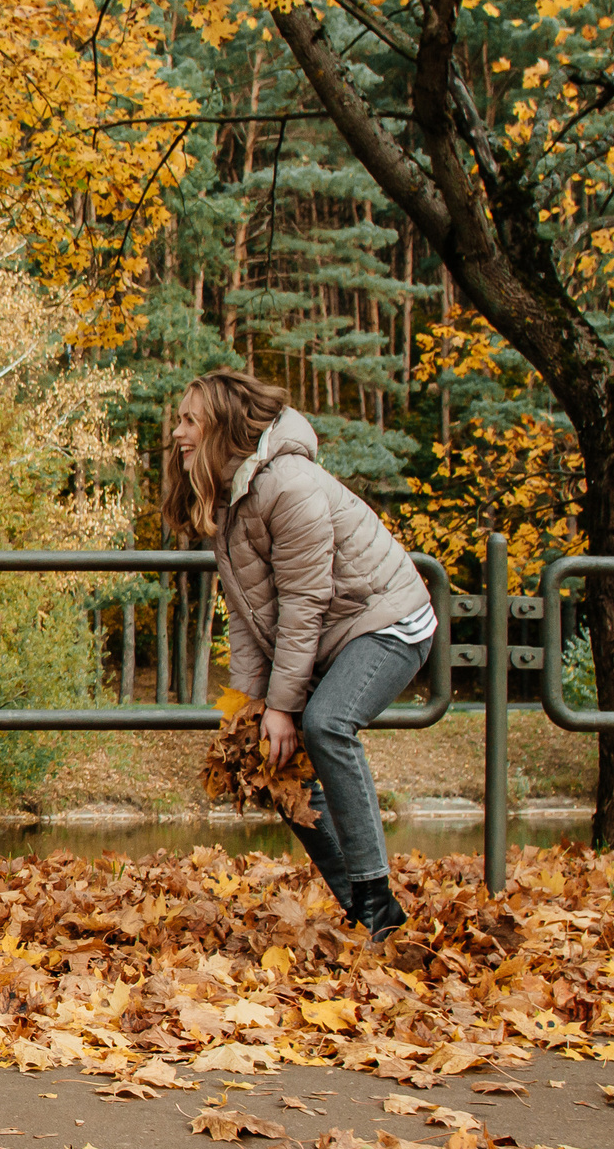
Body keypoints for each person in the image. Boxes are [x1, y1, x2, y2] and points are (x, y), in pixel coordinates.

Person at [162, 369, 434, 940]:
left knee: (326, 724)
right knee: (275, 761)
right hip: (329, 637)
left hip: (389, 621)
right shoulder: (231, 499)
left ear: (222, 426)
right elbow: (247, 616)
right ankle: (369, 918)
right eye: (178, 420)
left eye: (189, 421)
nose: (177, 432)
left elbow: (305, 603)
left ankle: (377, 901)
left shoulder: (290, 484)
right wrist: (246, 710)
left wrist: (283, 705)